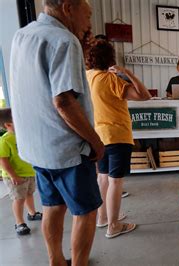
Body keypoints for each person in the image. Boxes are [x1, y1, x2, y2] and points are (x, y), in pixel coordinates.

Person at [9, 1, 104, 265]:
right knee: (86, 211)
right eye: (87, 15)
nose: (87, 24)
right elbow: (64, 101)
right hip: (67, 149)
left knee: (52, 206)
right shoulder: (65, 40)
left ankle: (56, 261)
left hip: (37, 147)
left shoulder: (22, 35)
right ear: (68, 7)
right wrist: (96, 142)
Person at [86, 40, 151, 238]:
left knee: (103, 178)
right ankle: (113, 225)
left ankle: (103, 217)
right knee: (115, 182)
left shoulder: (88, 76)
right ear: (110, 58)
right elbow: (144, 95)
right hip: (117, 135)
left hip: (98, 136)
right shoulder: (111, 79)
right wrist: (127, 73)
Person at [0, 108, 42, 236]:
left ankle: (32, 213)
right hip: (15, 176)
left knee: (29, 194)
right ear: (8, 125)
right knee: (19, 198)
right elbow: (3, 160)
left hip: (28, 172)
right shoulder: (5, 140)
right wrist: (14, 175)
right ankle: (19, 223)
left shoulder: (23, 136)